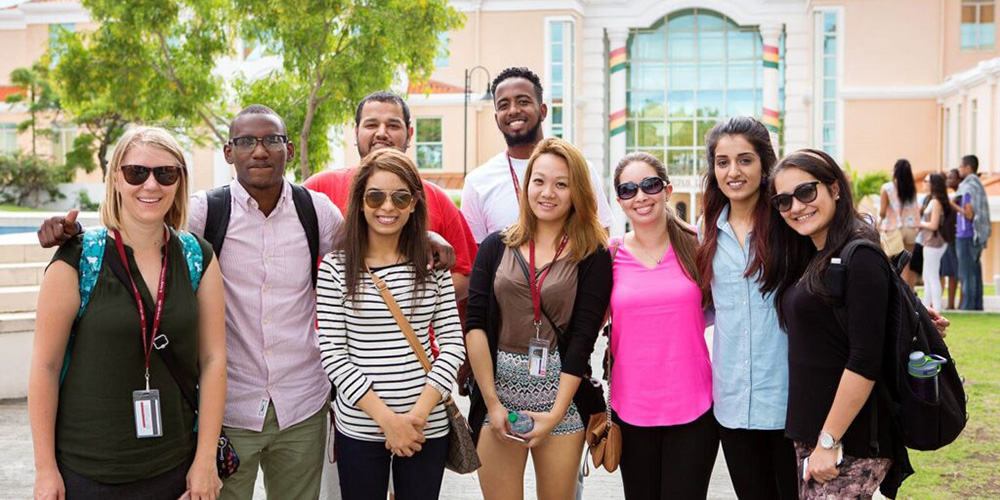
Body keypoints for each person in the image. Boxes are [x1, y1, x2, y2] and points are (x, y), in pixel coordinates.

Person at [29, 127, 227, 500]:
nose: (151, 185)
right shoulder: (78, 259)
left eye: (165, 173)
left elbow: (214, 359)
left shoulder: (197, 257)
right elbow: (45, 366)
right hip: (87, 472)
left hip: (175, 467)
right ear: (116, 179)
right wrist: (45, 469)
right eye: (136, 172)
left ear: (179, 182)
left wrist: (205, 461)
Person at [465, 138, 611, 500]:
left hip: (562, 401)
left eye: (561, 184)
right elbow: (475, 326)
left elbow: (583, 340)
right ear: (526, 184)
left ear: (578, 191)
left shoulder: (593, 254)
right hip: (497, 398)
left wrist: (555, 413)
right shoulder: (495, 246)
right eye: (539, 181)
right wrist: (493, 403)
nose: (548, 193)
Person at [316, 148, 465, 499]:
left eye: (400, 197)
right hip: (360, 426)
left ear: (414, 203)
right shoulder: (336, 267)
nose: (387, 207)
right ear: (360, 201)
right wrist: (388, 421)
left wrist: (416, 418)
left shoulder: (431, 265)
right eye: (375, 196)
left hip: (426, 426)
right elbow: (333, 354)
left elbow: (452, 344)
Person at [760, 149, 908, 499]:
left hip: (847, 441)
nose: (796, 207)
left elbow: (864, 361)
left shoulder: (860, 255)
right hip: (816, 436)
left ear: (835, 189)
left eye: (806, 192)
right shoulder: (814, 256)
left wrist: (828, 440)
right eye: (784, 201)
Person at [696, 116, 798, 499]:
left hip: (789, 402)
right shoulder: (706, 231)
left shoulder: (790, 224)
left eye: (745, 160)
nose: (733, 172)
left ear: (765, 164)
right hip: (733, 406)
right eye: (722, 162)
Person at [609, 152, 717, 499]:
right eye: (628, 189)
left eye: (650, 185)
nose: (640, 196)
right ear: (619, 201)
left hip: (695, 408)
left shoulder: (699, 245)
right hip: (631, 410)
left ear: (667, 190)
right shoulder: (609, 255)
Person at [303, 91, 478, 304]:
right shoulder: (317, 190)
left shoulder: (437, 198)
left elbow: (465, 274)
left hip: (413, 326)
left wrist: (411, 304)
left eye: (393, 125)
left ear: (409, 134)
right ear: (356, 132)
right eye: (371, 125)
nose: (382, 133)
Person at [461, 67, 614, 243]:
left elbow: (602, 238)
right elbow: (474, 253)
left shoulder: (580, 169)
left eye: (523, 102)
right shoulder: (478, 182)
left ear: (542, 111)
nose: (513, 110)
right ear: (497, 119)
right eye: (504, 105)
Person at [953, 154, 991, 310]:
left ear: (968, 168)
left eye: (961, 166)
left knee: (966, 273)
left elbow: (969, 214)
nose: (959, 169)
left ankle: (968, 306)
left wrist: (952, 204)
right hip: (975, 235)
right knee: (975, 272)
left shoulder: (967, 187)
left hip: (966, 235)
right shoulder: (978, 185)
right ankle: (977, 305)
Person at [879, 159, 920, 289]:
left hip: (894, 229)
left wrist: (878, 223)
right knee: (906, 265)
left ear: (895, 171)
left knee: (890, 264)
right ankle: (909, 295)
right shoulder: (912, 188)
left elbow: (882, 212)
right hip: (911, 228)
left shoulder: (887, 188)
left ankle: (896, 294)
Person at [919, 173, 955, 311]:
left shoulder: (936, 202)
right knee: (927, 275)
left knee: (932, 276)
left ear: (933, 184)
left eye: (926, 181)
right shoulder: (933, 200)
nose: (924, 183)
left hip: (933, 242)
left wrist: (919, 223)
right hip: (933, 241)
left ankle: (937, 308)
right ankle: (926, 308)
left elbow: (934, 225)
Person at [941, 169, 962, 309]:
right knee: (950, 273)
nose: (948, 181)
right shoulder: (952, 197)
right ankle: (951, 304)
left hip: (956, 239)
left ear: (958, 180)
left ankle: (961, 305)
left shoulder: (960, 197)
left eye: (951, 178)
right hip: (948, 240)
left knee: (958, 274)